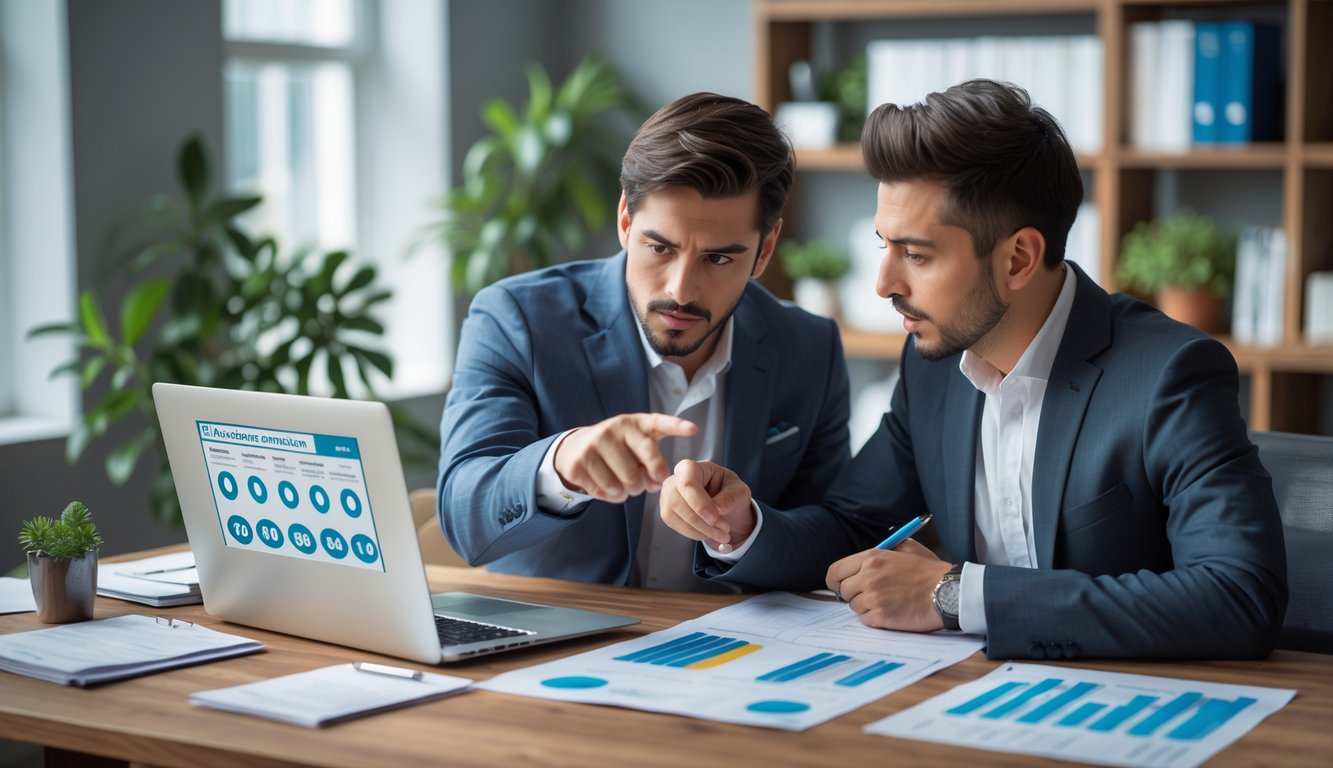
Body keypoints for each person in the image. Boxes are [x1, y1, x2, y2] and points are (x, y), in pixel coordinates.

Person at [659, 79, 1288, 658]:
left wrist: (956, 595)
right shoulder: (933, 365)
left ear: (1018, 258)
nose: (883, 283)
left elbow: (1238, 595)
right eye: (885, 245)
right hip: (966, 701)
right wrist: (741, 526)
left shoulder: (1170, 374)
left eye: (916, 254)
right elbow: (854, 523)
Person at [437, 92, 851, 590]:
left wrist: (748, 529)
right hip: (556, 645)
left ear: (764, 252)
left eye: (718, 259)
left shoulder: (809, 346)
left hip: (724, 651)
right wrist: (562, 464)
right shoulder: (517, 319)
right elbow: (464, 518)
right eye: (659, 248)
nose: (681, 289)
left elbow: (832, 533)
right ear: (625, 223)